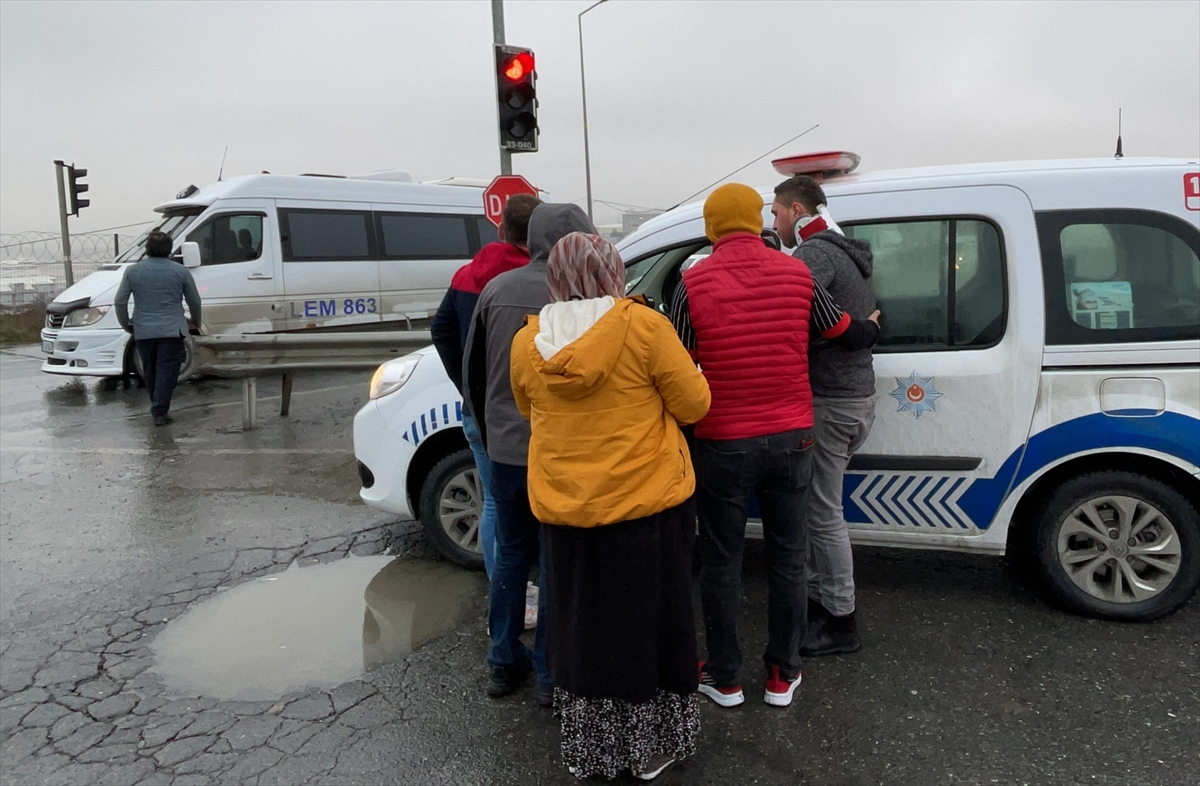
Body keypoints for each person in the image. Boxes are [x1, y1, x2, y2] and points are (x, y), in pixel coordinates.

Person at [669, 183, 879, 708]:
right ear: (757, 220)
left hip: (724, 441)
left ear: (712, 227)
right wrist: (870, 327)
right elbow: (840, 330)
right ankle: (783, 675)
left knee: (722, 561)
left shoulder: (692, 282)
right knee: (789, 557)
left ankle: (725, 678)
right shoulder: (798, 274)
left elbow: (676, 362)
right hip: (794, 436)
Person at [510, 232, 710, 781]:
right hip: (646, 504)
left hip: (564, 510)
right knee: (654, 623)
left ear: (555, 276)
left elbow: (531, 411)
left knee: (583, 628)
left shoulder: (528, 342)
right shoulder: (642, 326)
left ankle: (593, 749)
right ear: (612, 272)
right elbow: (694, 405)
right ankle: (649, 748)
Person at [462, 203, 598, 706]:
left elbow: (473, 373)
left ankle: (502, 660)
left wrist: (494, 429)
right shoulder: (585, 295)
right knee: (556, 565)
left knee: (512, 559)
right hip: (559, 455)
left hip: (506, 453)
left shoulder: (496, 291)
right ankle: (549, 674)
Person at [771, 175, 877, 657]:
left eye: (775, 213)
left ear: (796, 210)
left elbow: (790, 317)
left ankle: (840, 620)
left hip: (831, 399)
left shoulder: (813, 256)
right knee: (821, 506)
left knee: (821, 511)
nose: (774, 224)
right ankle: (820, 603)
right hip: (855, 396)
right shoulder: (844, 253)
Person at [431, 194, 541, 578]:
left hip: (477, 409)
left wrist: (465, 383)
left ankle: (505, 592)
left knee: (493, 502)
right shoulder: (535, 279)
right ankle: (540, 592)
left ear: (500, 227)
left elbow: (440, 329)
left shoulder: (466, 276)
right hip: (524, 412)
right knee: (539, 504)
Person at [114, 229, 202, 426]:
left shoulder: (133, 271)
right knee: (167, 370)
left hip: (143, 330)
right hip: (172, 330)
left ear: (147, 249)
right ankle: (160, 410)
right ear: (170, 249)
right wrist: (195, 321)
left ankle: (157, 405)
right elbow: (195, 301)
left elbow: (120, 301)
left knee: (150, 369)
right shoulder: (180, 271)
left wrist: (127, 323)